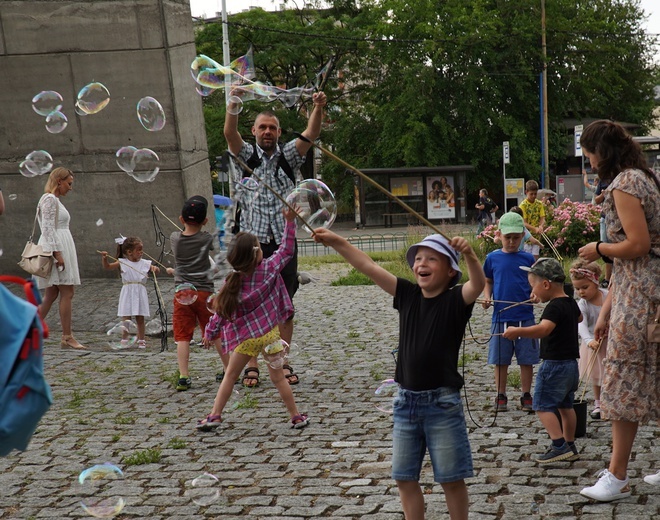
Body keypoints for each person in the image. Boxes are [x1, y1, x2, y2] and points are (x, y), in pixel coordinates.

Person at [312, 228, 485, 520]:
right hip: (406, 403)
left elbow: (478, 284)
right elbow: (368, 266)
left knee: (451, 479)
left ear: (450, 272)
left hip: (442, 403)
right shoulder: (407, 294)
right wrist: (338, 241)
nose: (422, 264)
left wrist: (469, 254)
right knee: (404, 477)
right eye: (418, 258)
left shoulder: (456, 301)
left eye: (432, 259)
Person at [577, 120, 659, 502]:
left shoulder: (626, 183)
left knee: (623, 380)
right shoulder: (643, 177)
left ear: (603, 151)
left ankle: (617, 474)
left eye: (590, 153)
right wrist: (608, 305)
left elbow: (638, 244)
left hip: (641, 296)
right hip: (643, 291)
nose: (589, 162)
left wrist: (600, 248)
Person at [224, 90, 327, 388]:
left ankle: (281, 360)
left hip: (284, 240)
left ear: (279, 132)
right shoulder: (246, 155)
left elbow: (311, 132)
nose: (267, 131)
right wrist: (233, 102)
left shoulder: (288, 156)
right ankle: (251, 363)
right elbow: (229, 131)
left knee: (285, 302)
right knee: (248, 302)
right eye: (262, 127)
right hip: (252, 243)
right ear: (254, 131)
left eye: (273, 128)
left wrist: (318, 107)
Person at [196, 206, 309, 431]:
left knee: (229, 376)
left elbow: (219, 313)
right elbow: (286, 251)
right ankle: (296, 416)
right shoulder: (268, 269)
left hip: (245, 340)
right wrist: (289, 222)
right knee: (279, 379)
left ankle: (215, 415)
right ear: (258, 253)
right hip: (270, 336)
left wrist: (209, 333)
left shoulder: (232, 283)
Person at [502, 258, 581, 464]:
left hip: (554, 365)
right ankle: (570, 444)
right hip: (571, 365)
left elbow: (544, 329)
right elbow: (579, 318)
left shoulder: (553, 307)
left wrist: (518, 331)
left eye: (533, 287)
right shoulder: (569, 303)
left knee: (541, 405)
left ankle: (558, 444)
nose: (532, 293)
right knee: (566, 406)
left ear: (546, 284)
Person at [166, 196, 227, 391]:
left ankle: (184, 376)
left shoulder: (174, 238)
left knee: (183, 336)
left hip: (182, 293)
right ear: (205, 221)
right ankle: (228, 369)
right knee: (215, 332)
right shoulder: (207, 238)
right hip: (204, 292)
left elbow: (181, 235)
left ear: (181, 219)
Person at [482, 212, 538, 412]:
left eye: (516, 237)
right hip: (501, 317)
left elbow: (535, 284)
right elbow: (488, 281)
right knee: (500, 360)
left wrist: (535, 293)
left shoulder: (528, 258)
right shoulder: (492, 258)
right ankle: (501, 394)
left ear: (523, 235)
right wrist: (487, 296)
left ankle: (526, 394)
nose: (512, 242)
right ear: (499, 235)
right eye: (508, 237)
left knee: (527, 359)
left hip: (525, 317)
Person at [36, 167, 85, 350]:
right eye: (69, 183)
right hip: (56, 248)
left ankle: (27, 331)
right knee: (67, 292)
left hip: (59, 245)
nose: (70, 188)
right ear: (59, 181)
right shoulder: (49, 199)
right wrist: (58, 254)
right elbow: (48, 229)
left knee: (52, 294)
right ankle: (67, 336)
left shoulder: (54, 200)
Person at [100, 236, 160, 348]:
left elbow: (154, 269)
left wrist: (155, 269)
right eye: (139, 250)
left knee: (140, 317)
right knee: (126, 318)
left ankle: (141, 339)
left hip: (139, 290)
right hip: (127, 290)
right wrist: (104, 258)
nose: (141, 252)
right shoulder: (122, 262)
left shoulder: (144, 263)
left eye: (142, 249)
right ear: (129, 252)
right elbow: (108, 267)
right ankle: (124, 338)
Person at [569, 259, 607, 420]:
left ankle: (610, 402)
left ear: (596, 281)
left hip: (610, 343)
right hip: (593, 344)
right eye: (577, 289)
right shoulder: (582, 304)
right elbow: (581, 324)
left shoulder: (607, 297)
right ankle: (598, 403)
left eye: (585, 287)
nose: (581, 292)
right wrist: (588, 340)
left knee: (611, 375)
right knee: (597, 375)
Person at [519, 180, 546, 260]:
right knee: (527, 259)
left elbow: (542, 218)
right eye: (531, 194)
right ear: (526, 192)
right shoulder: (523, 205)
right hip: (526, 238)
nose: (534, 196)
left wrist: (541, 226)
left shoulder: (539, 204)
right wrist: (534, 229)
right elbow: (524, 223)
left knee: (535, 258)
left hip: (537, 237)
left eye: (535, 194)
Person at [593, 177, 612, 288]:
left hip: (617, 219)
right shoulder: (602, 181)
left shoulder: (620, 178)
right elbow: (596, 200)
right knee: (606, 250)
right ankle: (607, 278)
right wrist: (604, 194)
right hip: (604, 218)